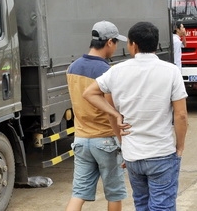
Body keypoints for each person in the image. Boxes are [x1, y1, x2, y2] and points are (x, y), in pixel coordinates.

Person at [83, 21, 189, 211]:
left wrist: (115, 114)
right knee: (162, 206)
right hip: (161, 153)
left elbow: (89, 93)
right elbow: (181, 115)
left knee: (141, 204)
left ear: (133, 44)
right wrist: (179, 146)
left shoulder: (116, 71)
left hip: (133, 155)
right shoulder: (171, 71)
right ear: (155, 44)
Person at [65, 21, 128, 211]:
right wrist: (122, 144)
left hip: (82, 139)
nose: (116, 47)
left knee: (78, 193)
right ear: (109, 42)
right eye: (116, 42)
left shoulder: (72, 68)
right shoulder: (106, 72)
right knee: (115, 193)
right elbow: (111, 112)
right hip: (105, 140)